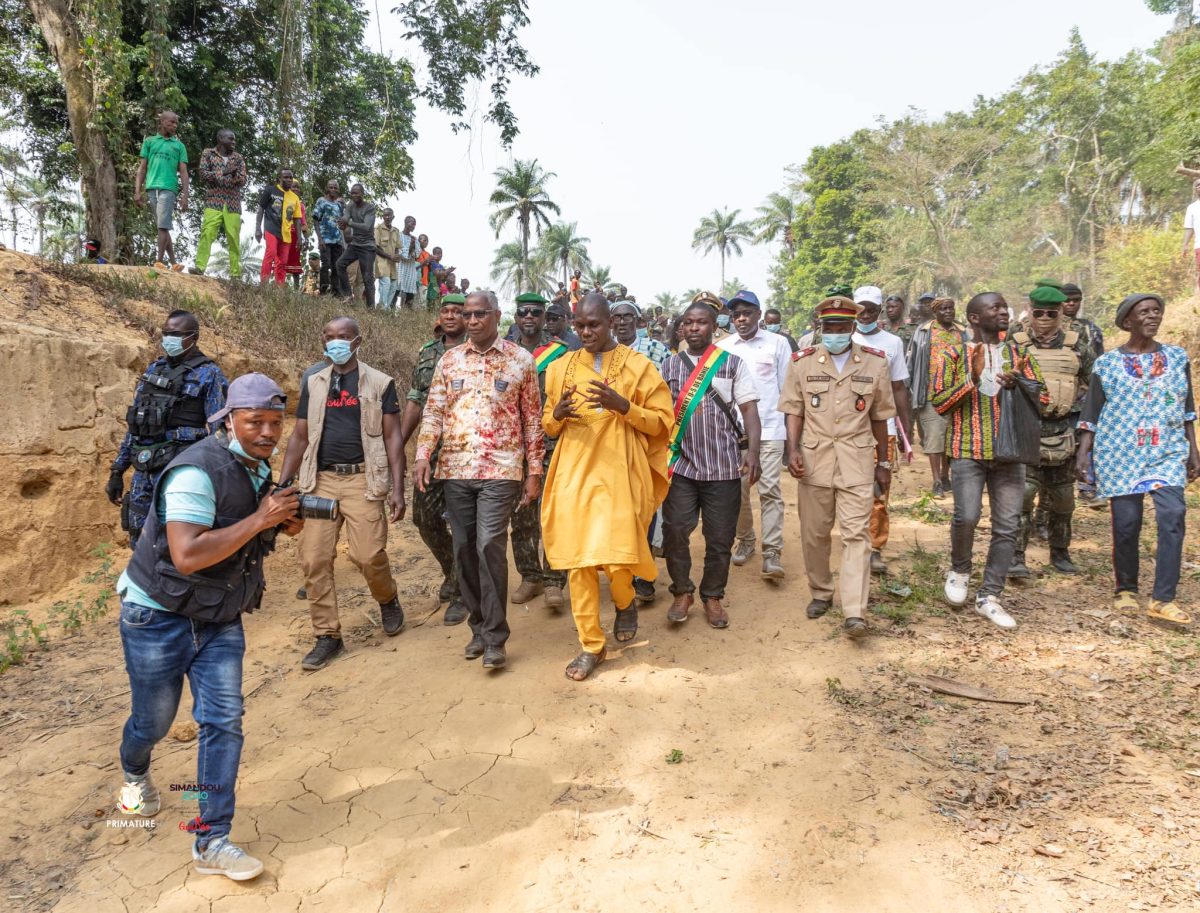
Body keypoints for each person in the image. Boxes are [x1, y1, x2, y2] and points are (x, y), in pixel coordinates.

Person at [114, 373, 299, 882]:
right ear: (228, 420)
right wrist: (261, 520)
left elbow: (240, 533)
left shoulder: (253, 466)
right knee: (153, 723)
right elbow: (189, 555)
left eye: (275, 422)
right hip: (157, 615)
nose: (266, 432)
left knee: (223, 723)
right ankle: (135, 770)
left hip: (217, 618)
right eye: (254, 421)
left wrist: (276, 522)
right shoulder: (197, 470)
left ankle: (211, 838)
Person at [541, 293, 674, 680]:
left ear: (611, 323)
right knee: (578, 559)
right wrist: (558, 415)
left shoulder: (639, 367)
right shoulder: (560, 367)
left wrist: (624, 406)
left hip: (620, 470)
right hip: (574, 471)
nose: (585, 332)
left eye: (593, 325)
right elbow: (548, 423)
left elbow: (662, 423)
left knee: (618, 556)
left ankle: (625, 599)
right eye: (579, 325)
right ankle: (591, 645)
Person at [414, 290, 545, 671]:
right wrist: (423, 455)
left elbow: (532, 419)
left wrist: (533, 471)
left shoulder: (521, 360)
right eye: (467, 315)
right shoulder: (449, 361)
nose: (471, 321)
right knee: (464, 549)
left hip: (501, 469)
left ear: (496, 316)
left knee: (490, 543)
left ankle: (495, 638)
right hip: (455, 469)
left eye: (479, 314)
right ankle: (478, 627)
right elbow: (434, 411)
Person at [279, 318, 407, 670]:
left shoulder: (379, 382)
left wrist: (398, 488)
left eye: (343, 337)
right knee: (314, 559)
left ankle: (387, 598)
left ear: (357, 341)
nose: (336, 342)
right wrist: (282, 482)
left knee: (367, 556)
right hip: (319, 481)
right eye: (329, 337)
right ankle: (327, 636)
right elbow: (300, 436)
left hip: (362, 481)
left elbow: (393, 436)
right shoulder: (314, 382)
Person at [1077, 293, 1199, 628]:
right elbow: (1091, 413)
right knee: (1127, 524)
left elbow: (1188, 408)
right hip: (1119, 452)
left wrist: (1194, 449)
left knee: (1173, 516)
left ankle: (1163, 599)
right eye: (1143, 312)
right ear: (1128, 321)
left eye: (1156, 311)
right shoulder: (1107, 364)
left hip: (1167, 450)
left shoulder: (1176, 358)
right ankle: (1126, 588)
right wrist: (1083, 453)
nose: (1152, 316)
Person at [780, 296, 895, 638]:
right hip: (815, 459)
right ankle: (821, 592)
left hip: (857, 459)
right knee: (814, 533)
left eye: (842, 327)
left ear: (852, 327)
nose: (835, 333)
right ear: (820, 327)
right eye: (829, 327)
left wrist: (884, 461)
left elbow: (881, 417)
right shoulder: (802, 362)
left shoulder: (875, 364)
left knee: (856, 534)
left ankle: (854, 611)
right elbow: (794, 410)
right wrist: (793, 450)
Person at [930, 292, 1044, 630]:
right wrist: (972, 381)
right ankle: (960, 570)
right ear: (975, 318)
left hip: (1011, 452)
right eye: (994, 308)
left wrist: (1020, 383)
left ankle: (990, 595)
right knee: (966, 515)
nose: (1003, 312)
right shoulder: (952, 354)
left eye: (1004, 307)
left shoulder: (1020, 354)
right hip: (967, 448)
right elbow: (939, 401)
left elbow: (1045, 397)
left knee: (1007, 525)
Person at [661, 295, 762, 629]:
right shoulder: (670, 365)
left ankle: (712, 596)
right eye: (688, 322)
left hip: (723, 468)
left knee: (719, 538)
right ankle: (682, 591)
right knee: (675, 531)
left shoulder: (732, 363)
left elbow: (749, 410)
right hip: (683, 467)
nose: (693, 327)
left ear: (714, 325)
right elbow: (660, 413)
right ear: (680, 327)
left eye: (701, 322)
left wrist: (755, 454)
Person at [107, 311, 228, 548]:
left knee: (178, 533)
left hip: (181, 468)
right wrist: (117, 470)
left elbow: (219, 432)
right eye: (166, 333)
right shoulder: (154, 370)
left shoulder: (210, 374)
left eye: (176, 334)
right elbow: (136, 425)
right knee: (139, 532)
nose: (168, 339)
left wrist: (218, 476)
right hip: (144, 465)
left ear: (193, 337)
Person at [1008, 286, 1094, 578]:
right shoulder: (1015, 340)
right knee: (1022, 497)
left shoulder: (1076, 342)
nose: (1044, 318)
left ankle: (1060, 552)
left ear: (1060, 314)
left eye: (1051, 313)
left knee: (1062, 499)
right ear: (1030, 311)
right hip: (1026, 428)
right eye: (1039, 312)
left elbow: (1092, 384)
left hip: (1063, 428)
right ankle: (1016, 557)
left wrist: (1082, 426)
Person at [401, 295, 469, 625]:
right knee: (423, 519)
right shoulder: (428, 352)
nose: (452, 316)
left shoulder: (478, 349)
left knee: (462, 524)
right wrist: (400, 441)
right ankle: (452, 571)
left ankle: (461, 591)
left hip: (466, 454)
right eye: (446, 311)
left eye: (459, 311)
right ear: (439, 316)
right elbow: (416, 399)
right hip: (431, 453)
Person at [718, 290, 790, 579]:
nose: (742, 318)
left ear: (758, 315)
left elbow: (788, 389)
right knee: (738, 492)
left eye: (747, 312)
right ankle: (746, 539)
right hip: (734, 432)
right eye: (736, 314)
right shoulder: (724, 347)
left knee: (770, 489)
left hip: (771, 429)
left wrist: (791, 439)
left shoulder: (778, 343)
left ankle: (772, 551)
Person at [507, 292, 569, 610]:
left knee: (554, 513)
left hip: (552, 443)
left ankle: (555, 579)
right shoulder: (505, 353)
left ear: (545, 317)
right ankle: (529, 576)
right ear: (515, 318)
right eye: (523, 312)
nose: (529, 317)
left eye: (535, 312)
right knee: (521, 515)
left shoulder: (561, 353)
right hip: (513, 446)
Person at [852, 286, 914, 575]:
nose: (865, 313)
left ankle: (875, 547)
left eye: (871, 309)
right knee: (850, 486)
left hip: (883, 427)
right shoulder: (843, 337)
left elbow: (899, 387)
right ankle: (854, 541)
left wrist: (906, 430)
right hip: (849, 427)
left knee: (879, 487)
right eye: (860, 308)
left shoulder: (892, 343)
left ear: (879, 311)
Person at [906, 296, 969, 496]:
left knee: (951, 437)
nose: (948, 312)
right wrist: (912, 390)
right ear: (936, 312)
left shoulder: (963, 332)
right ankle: (936, 480)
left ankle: (945, 474)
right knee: (934, 436)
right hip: (931, 393)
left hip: (958, 394)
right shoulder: (924, 332)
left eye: (951, 308)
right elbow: (913, 360)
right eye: (944, 309)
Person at [134, 111, 189, 271]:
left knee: (162, 225)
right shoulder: (150, 142)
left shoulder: (179, 146)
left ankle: (158, 261)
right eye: (171, 122)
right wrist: (137, 190)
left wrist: (185, 195)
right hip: (151, 188)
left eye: (176, 123)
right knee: (162, 225)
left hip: (168, 188)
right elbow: (142, 168)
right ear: (163, 121)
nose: (174, 125)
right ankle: (173, 263)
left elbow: (184, 172)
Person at [194, 129, 247, 279]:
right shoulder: (208, 154)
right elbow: (203, 174)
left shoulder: (238, 158)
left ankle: (235, 274)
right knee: (207, 232)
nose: (234, 142)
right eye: (231, 139)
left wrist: (229, 175)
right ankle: (200, 267)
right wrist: (225, 173)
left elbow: (242, 180)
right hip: (213, 201)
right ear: (220, 138)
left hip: (233, 203)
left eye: (234, 139)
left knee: (233, 239)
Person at [336, 183, 377, 308]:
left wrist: (348, 222)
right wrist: (342, 222)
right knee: (340, 264)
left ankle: (371, 307)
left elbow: (366, 227)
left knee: (367, 277)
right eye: (352, 193)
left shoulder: (370, 208)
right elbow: (346, 217)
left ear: (362, 194)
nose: (354, 195)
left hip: (368, 246)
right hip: (355, 244)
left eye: (357, 193)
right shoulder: (350, 206)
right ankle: (348, 296)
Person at [254, 169, 297, 287]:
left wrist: (300, 238)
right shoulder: (270, 190)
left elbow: (297, 218)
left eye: (290, 177)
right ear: (280, 178)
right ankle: (264, 284)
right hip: (271, 228)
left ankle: (280, 289)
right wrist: (258, 228)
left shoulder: (294, 198)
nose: (289, 180)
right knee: (271, 253)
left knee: (282, 262)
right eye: (286, 177)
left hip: (286, 233)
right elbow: (261, 209)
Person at [612, 300, 671, 369]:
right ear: (611, 322)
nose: (622, 322)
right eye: (617, 318)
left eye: (628, 317)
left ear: (638, 321)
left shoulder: (655, 347)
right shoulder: (605, 349)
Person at [312, 181, 347, 297]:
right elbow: (316, 220)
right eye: (331, 187)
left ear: (338, 190)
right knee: (325, 264)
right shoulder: (321, 201)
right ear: (327, 188)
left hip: (337, 240)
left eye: (335, 187)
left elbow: (342, 221)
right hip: (325, 239)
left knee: (336, 266)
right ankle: (323, 290)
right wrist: (320, 239)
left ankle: (335, 292)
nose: (333, 189)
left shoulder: (338, 205)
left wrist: (342, 242)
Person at [374, 208, 402, 309]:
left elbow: (397, 247)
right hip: (382, 262)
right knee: (385, 284)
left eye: (389, 215)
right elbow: (375, 248)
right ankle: (381, 308)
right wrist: (390, 256)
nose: (387, 217)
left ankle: (386, 308)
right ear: (382, 216)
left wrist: (397, 255)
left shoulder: (396, 231)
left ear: (393, 217)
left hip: (393, 263)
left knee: (393, 286)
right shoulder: (378, 229)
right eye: (385, 215)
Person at [1182, 178, 1200, 292]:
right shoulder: (1192, 208)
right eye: (1198, 185)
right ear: (1195, 189)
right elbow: (1189, 228)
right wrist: (1185, 245)